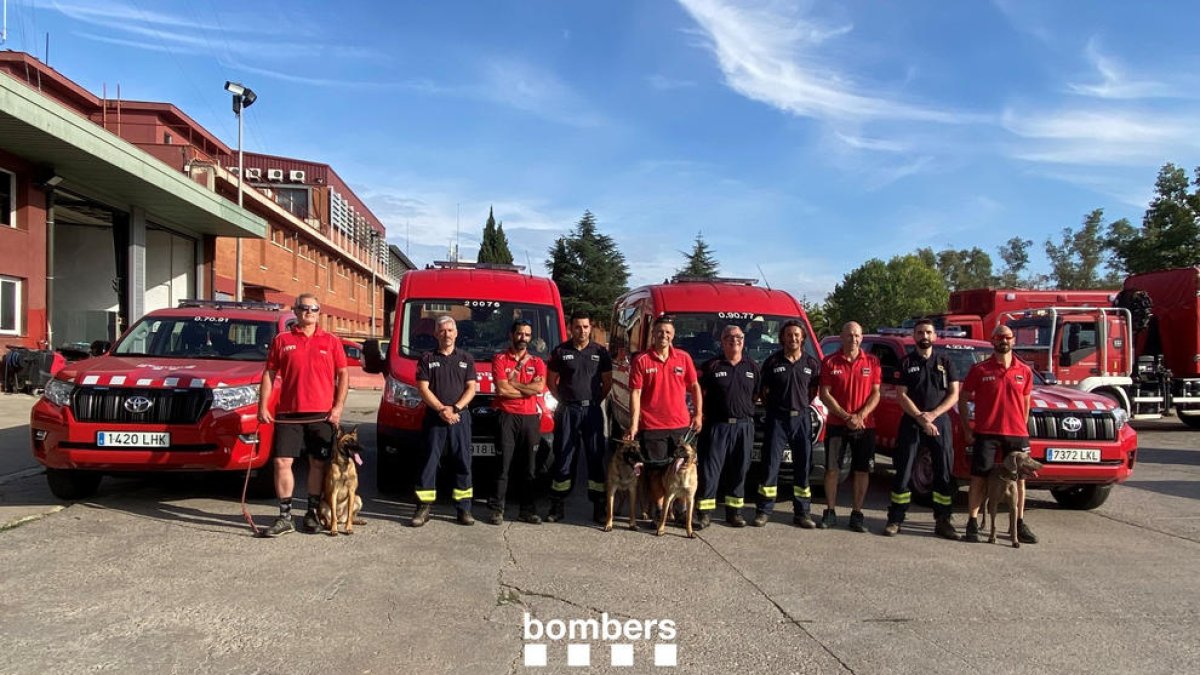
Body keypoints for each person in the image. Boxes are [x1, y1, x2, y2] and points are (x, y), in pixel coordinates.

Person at [258, 293, 349, 537]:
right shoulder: (282, 340)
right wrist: (262, 405)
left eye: (313, 308)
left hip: (321, 414)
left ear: (319, 312)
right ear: (296, 311)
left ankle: (311, 513)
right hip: (289, 413)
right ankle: (285, 517)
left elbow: (343, 374)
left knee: (318, 464)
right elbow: (269, 373)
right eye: (303, 308)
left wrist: (338, 407)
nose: (308, 312)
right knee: (281, 462)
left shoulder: (330, 341)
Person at [959, 324, 1038, 544]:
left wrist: (1022, 429)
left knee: (1019, 480)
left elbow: (1026, 402)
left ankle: (1019, 523)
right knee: (979, 478)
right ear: (993, 341)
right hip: (986, 432)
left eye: (1007, 337)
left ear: (1013, 340)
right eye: (999, 337)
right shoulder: (980, 369)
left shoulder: (1024, 371)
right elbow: (963, 398)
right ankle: (972, 522)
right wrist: (967, 428)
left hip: (1016, 434)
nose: (1003, 341)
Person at [883, 319, 961, 540]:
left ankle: (943, 520)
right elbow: (901, 395)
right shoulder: (906, 363)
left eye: (928, 332)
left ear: (934, 336)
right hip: (912, 422)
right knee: (904, 470)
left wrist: (933, 416)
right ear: (914, 336)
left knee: (943, 472)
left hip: (939, 422)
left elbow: (954, 394)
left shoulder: (946, 362)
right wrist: (920, 417)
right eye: (920, 332)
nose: (924, 336)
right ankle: (896, 519)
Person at [625, 316, 703, 518]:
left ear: (673, 335)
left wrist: (698, 414)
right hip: (652, 426)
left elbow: (694, 386)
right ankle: (660, 510)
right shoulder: (642, 360)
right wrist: (634, 425)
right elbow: (635, 393)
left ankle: (681, 508)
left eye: (668, 332)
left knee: (681, 469)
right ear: (653, 334)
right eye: (660, 331)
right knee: (656, 472)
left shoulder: (683, 358)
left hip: (680, 426)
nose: (664, 335)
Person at [545, 312, 613, 524]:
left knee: (595, 458)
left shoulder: (600, 352)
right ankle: (557, 505)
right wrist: (564, 401)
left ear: (590, 328)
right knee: (564, 458)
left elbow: (607, 384)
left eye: (585, 327)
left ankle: (599, 507)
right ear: (570, 328)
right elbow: (551, 382)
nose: (581, 331)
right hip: (567, 411)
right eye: (577, 327)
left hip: (591, 411)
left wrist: (592, 402)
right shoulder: (561, 351)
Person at [411, 315, 477, 527]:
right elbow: (423, 388)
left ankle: (464, 509)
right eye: (442, 330)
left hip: (460, 417)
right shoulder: (427, 358)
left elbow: (471, 388)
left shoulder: (466, 358)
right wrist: (441, 409)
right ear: (435, 333)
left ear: (456, 333)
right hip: (435, 417)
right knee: (429, 462)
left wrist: (455, 408)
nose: (446, 334)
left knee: (463, 462)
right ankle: (423, 508)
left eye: (450, 330)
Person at [818, 321, 881, 533]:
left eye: (857, 335)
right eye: (849, 335)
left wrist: (860, 415)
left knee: (862, 470)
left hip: (865, 426)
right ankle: (830, 512)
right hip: (837, 425)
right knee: (832, 470)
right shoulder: (829, 362)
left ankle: (857, 513)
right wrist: (846, 416)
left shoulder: (872, 362)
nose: (853, 339)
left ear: (861, 338)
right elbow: (824, 394)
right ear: (841, 337)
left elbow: (876, 393)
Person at [757, 320, 822, 528]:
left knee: (802, 466)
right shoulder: (772, 362)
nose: (793, 338)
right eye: (789, 335)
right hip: (777, 418)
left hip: (801, 418)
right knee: (770, 465)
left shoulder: (811, 364)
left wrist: (800, 407)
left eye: (797, 335)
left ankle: (802, 513)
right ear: (782, 338)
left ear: (802, 338)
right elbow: (763, 392)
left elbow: (813, 391)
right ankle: (764, 511)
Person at [696, 325, 760, 529]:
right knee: (710, 471)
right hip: (717, 426)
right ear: (722, 341)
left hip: (744, 427)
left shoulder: (752, 367)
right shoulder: (712, 366)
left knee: (740, 470)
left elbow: (756, 395)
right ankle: (705, 513)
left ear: (744, 340)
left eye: (739, 337)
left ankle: (735, 513)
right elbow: (699, 393)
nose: (734, 340)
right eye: (729, 337)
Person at [489, 319, 547, 525]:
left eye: (527, 335)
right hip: (507, 417)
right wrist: (526, 389)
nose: (523, 338)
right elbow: (502, 390)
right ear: (511, 335)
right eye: (520, 333)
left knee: (530, 468)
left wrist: (515, 384)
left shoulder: (537, 362)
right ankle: (497, 509)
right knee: (503, 465)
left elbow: (539, 389)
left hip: (530, 419)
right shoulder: (500, 359)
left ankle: (527, 510)